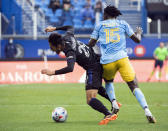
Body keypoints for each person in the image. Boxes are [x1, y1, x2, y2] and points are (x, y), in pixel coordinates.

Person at [88, 5, 156, 123]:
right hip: (122, 59)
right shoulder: (123, 23)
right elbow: (137, 40)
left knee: (108, 82)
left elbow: (91, 43)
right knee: (133, 85)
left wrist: (97, 41)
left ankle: (114, 103)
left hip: (107, 61)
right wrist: (138, 32)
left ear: (106, 14)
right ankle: (147, 111)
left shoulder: (99, 25)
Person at [41, 26, 120, 125]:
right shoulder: (68, 37)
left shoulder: (69, 51)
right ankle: (114, 102)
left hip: (93, 67)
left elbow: (70, 68)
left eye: (51, 46)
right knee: (96, 87)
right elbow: (70, 27)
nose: (51, 48)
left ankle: (108, 114)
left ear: (58, 46)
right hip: (97, 59)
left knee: (90, 98)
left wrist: (53, 72)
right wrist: (54, 29)